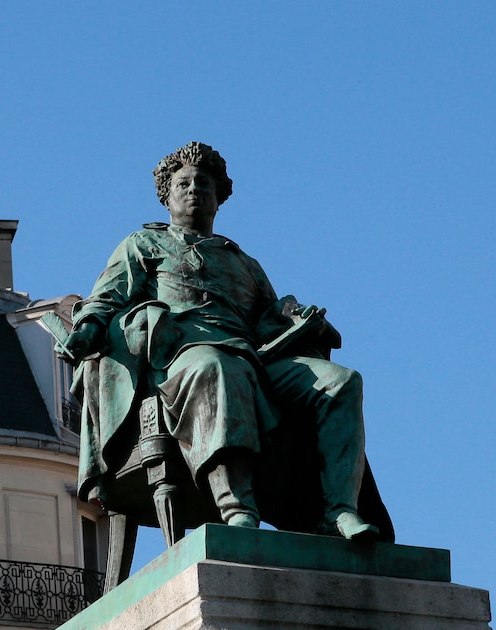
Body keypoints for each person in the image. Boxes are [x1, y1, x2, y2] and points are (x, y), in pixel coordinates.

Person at [59, 142, 388, 541]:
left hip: (256, 358)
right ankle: (238, 510)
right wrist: (88, 329)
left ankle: (338, 511)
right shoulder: (142, 245)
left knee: (341, 381)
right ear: (167, 195)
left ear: (219, 198)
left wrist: (298, 320)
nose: (194, 189)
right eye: (184, 183)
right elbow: (106, 297)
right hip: (181, 357)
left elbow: (268, 319)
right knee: (217, 367)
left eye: (204, 183)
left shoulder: (243, 262)